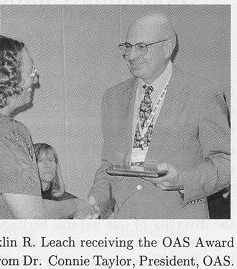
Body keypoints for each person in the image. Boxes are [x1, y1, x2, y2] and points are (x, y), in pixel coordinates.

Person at [88, 13, 230, 219]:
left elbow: (226, 162)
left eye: (141, 47)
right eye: (127, 47)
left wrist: (183, 180)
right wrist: (96, 202)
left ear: (167, 47)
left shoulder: (202, 92)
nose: (131, 56)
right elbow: (110, 166)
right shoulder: (113, 97)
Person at [0, 35, 95, 219]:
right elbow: (32, 216)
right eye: (31, 72)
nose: (35, 80)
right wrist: (76, 206)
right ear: (10, 79)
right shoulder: (8, 133)